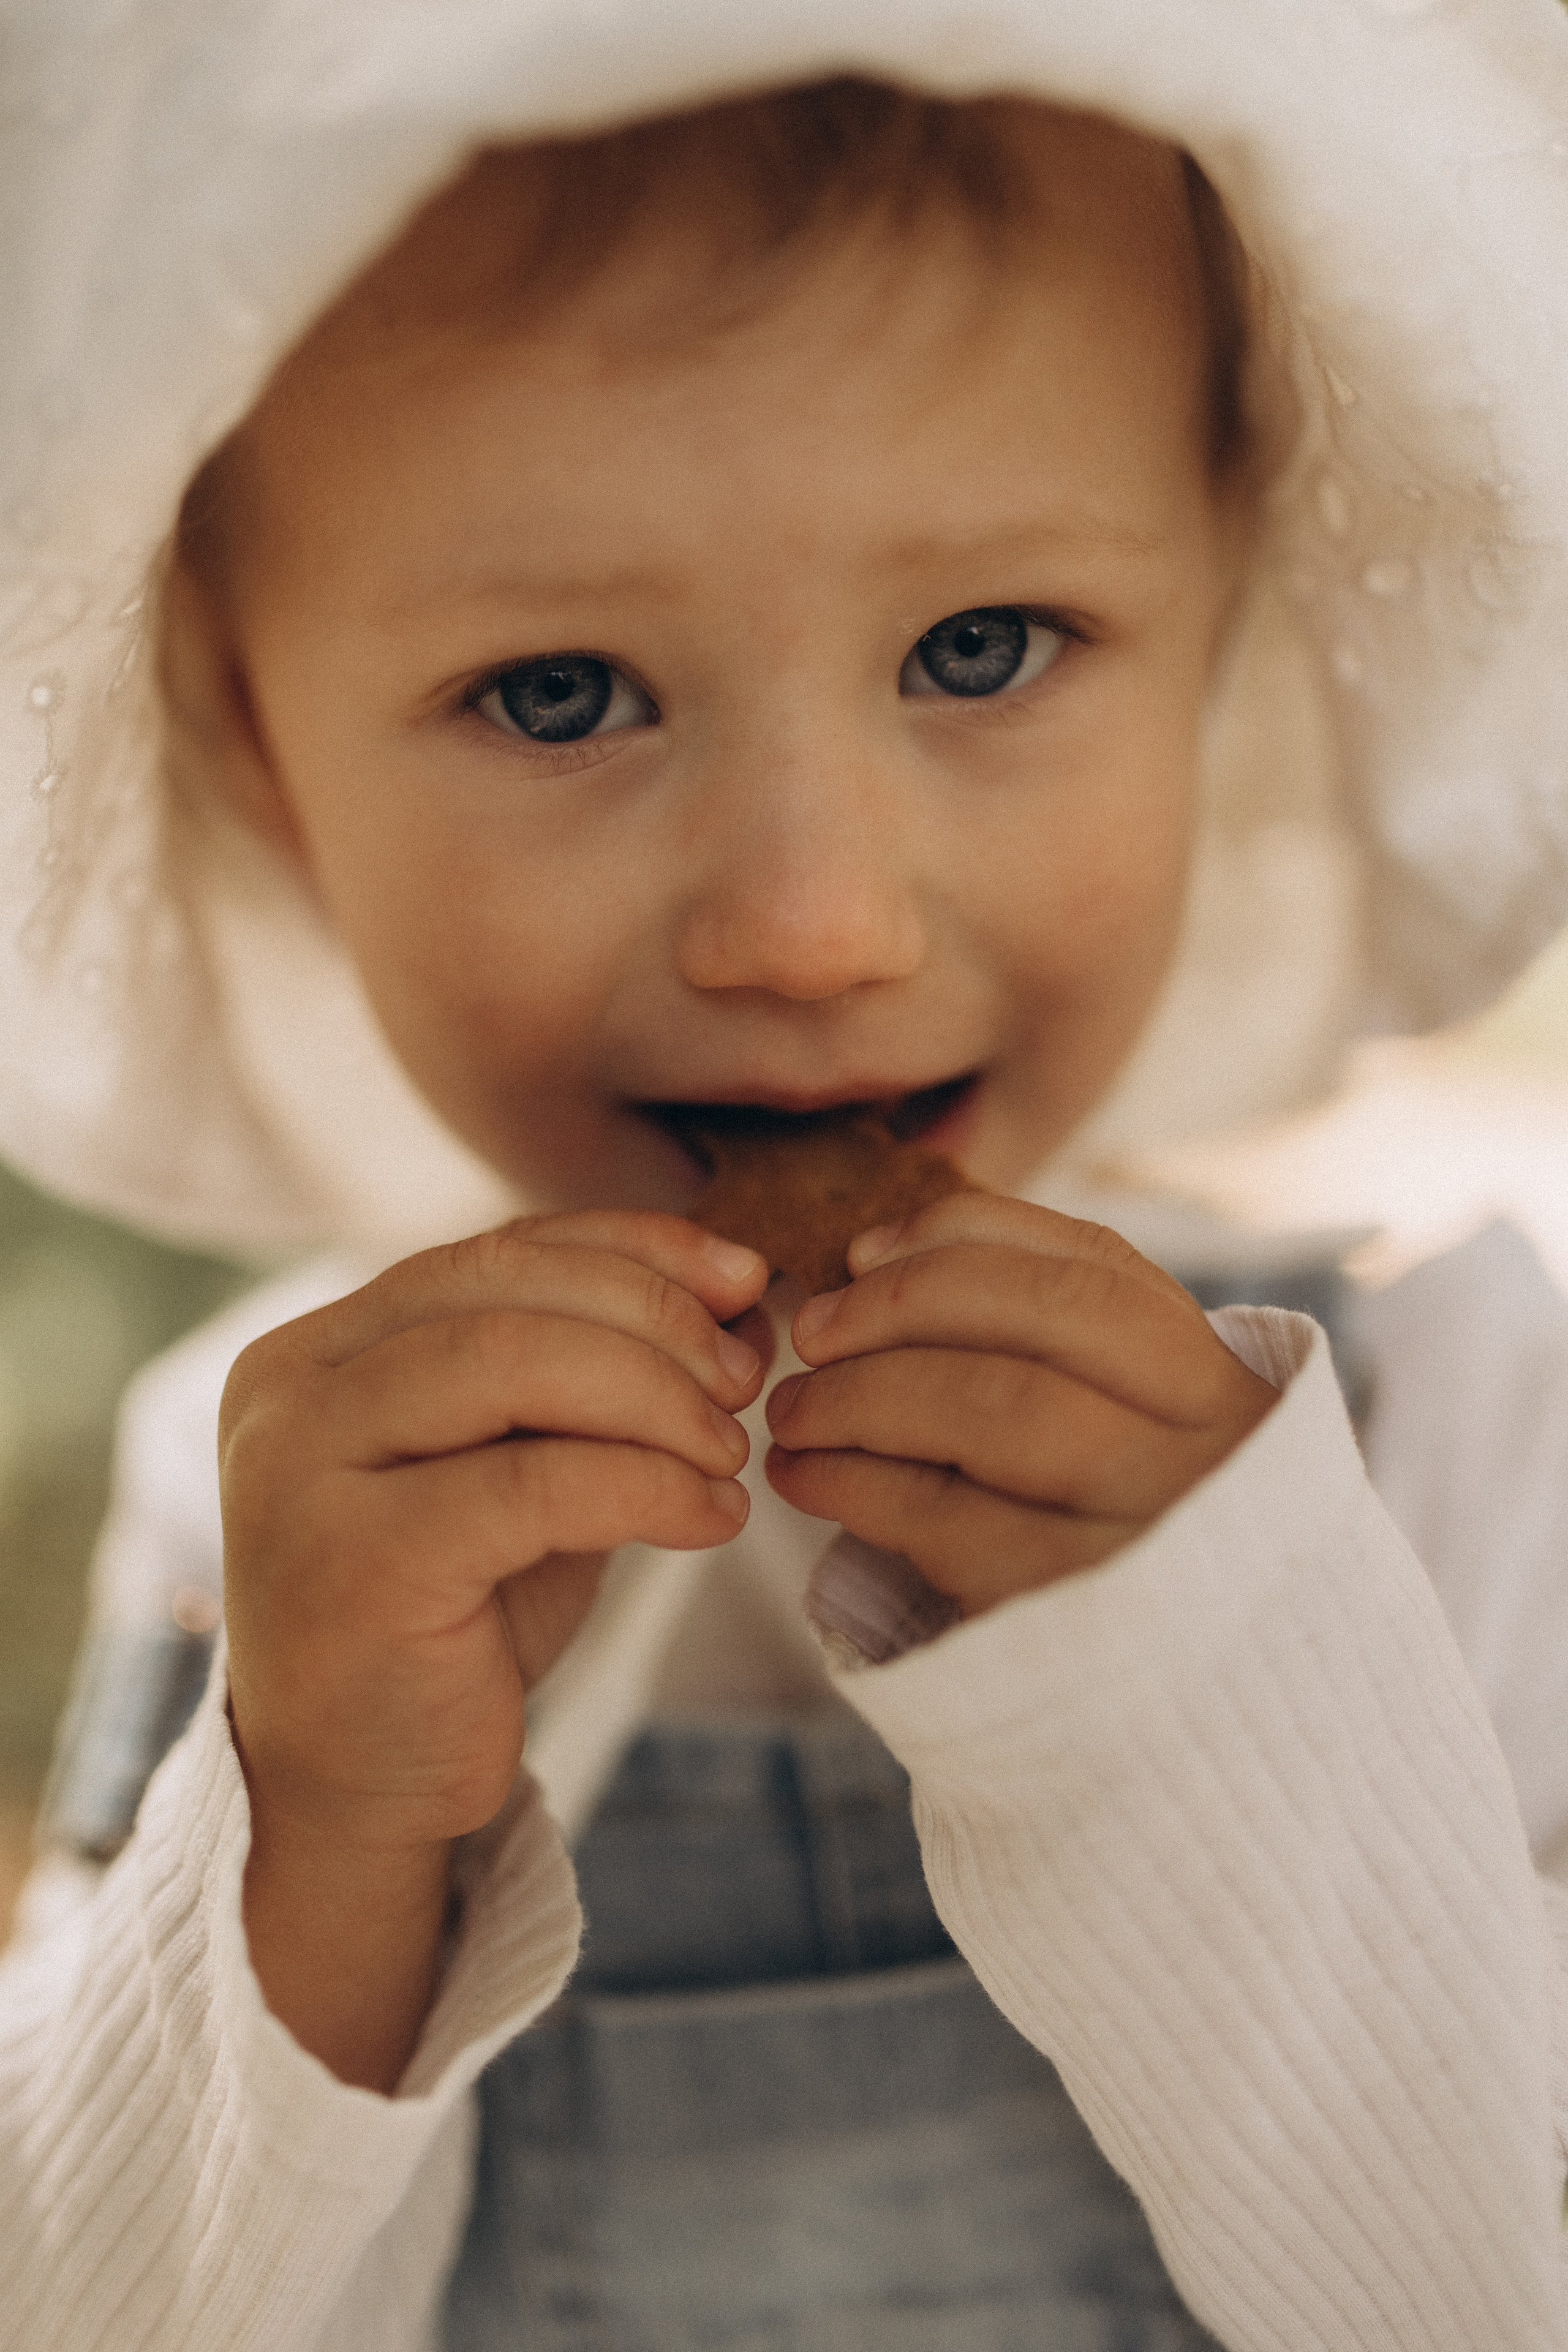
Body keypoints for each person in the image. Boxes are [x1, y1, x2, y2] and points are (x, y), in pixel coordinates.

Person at [2, 8, 1567, 2349]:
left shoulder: (1456, 1407)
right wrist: (314, 1844)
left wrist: (1236, 1689)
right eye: (559, 694)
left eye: (982, 644)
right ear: (252, 738)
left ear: (1222, 603)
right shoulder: (274, 1495)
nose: (814, 927)